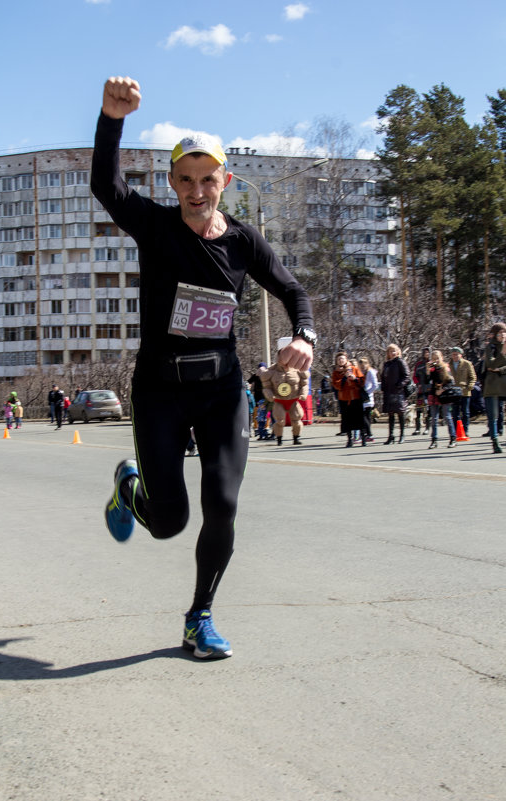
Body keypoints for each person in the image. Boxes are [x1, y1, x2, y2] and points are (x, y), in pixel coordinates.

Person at [91, 76, 316, 659]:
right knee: (168, 522)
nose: (197, 191)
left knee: (223, 503)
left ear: (225, 181)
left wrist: (305, 336)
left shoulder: (243, 241)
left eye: (208, 179)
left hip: (221, 392)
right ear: (172, 183)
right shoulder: (155, 226)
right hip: (160, 393)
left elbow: (294, 292)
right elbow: (105, 185)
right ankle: (128, 490)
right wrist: (112, 119)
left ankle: (199, 617)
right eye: (185, 180)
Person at [260, 352, 309, 445]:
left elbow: (304, 384)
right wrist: (269, 395)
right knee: (280, 421)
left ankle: (296, 438)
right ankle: (279, 439)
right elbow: (266, 387)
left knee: (297, 419)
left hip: (293, 400)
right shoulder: (271, 372)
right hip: (279, 400)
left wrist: (303, 394)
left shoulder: (298, 369)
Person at [330, 352, 365, 447]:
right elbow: (336, 385)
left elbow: (362, 380)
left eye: (342, 358)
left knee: (359, 418)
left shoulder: (354, 369)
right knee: (347, 420)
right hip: (344, 398)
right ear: (337, 362)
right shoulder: (336, 373)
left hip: (355, 397)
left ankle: (363, 438)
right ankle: (349, 439)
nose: (341, 361)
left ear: (346, 359)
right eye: (339, 359)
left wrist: (355, 378)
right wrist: (344, 379)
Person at [483, 322, 506, 454]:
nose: (502, 335)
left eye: (504, 332)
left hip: (504, 382)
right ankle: (495, 441)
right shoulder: (490, 347)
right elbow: (490, 364)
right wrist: (502, 352)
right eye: (500, 333)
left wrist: (500, 369)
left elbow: (498, 367)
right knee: (493, 415)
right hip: (492, 385)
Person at [380, 344, 411, 444]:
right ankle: (391, 436)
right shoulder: (387, 364)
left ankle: (402, 435)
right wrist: (383, 386)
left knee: (400, 413)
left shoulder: (400, 362)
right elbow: (383, 376)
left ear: (398, 352)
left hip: (398, 392)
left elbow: (407, 375)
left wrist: (399, 385)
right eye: (390, 351)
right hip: (388, 391)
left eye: (394, 351)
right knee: (391, 414)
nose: (392, 353)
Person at [426, 350, 457, 449]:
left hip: (444, 394)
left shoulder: (445, 368)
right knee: (434, 418)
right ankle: (434, 440)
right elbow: (427, 381)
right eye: (434, 358)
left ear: (441, 358)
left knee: (447, 416)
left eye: (437, 358)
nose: (436, 360)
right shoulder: (432, 369)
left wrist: (442, 389)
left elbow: (451, 382)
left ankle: (453, 438)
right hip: (434, 394)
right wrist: (427, 370)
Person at [448, 347, 476, 436]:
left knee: (465, 412)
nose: (455, 356)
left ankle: (465, 430)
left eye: (456, 354)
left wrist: (470, 385)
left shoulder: (467, 364)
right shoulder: (449, 365)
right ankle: (456, 431)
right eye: (453, 354)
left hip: (464, 391)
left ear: (461, 355)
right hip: (454, 392)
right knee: (455, 412)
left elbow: (473, 377)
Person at [357, 357, 379, 442]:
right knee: (366, 417)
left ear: (367, 364)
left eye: (365, 364)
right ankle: (365, 434)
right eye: (361, 365)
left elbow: (375, 385)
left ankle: (369, 434)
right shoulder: (361, 372)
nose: (363, 366)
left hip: (368, 398)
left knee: (364, 416)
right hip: (362, 397)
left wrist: (367, 392)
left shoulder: (370, 372)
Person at [412, 348, 431, 435]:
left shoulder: (431, 364)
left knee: (428, 409)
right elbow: (414, 376)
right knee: (418, 409)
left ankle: (427, 427)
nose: (426, 354)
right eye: (425, 352)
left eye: (428, 352)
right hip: (420, 389)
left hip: (429, 389)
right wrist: (417, 383)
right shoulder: (418, 364)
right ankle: (418, 428)